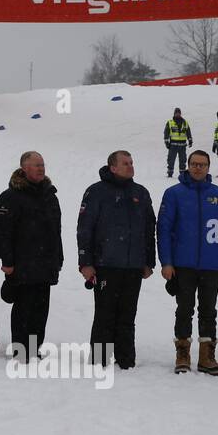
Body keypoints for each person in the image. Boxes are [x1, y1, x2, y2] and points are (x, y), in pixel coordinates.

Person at [77, 150, 156, 369]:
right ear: (112, 167)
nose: (130, 166)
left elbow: (150, 228)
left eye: (131, 162)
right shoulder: (96, 192)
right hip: (105, 264)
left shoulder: (141, 192)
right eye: (125, 163)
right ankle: (100, 359)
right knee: (104, 314)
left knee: (128, 315)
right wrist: (86, 262)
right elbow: (85, 229)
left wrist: (149, 261)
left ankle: (126, 360)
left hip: (133, 266)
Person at [157, 150, 218, 375]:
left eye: (202, 164)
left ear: (209, 167)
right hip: (183, 264)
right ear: (187, 165)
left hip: (211, 264)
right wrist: (166, 262)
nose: (198, 168)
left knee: (209, 310)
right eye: (194, 164)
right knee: (184, 309)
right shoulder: (174, 194)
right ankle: (182, 353)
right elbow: (163, 229)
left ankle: (207, 356)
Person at [0, 150, 63, 363]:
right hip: (22, 263)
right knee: (23, 308)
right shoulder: (10, 196)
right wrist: (7, 262)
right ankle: (20, 349)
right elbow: (3, 233)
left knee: (41, 309)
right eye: (37, 165)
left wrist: (58, 258)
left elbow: (56, 230)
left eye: (43, 164)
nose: (42, 168)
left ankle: (35, 348)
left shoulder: (50, 195)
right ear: (24, 168)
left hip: (45, 263)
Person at [164, 107, 193, 178]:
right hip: (173, 145)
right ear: (174, 114)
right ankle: (170, 173)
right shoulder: (170, 122)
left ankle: (182, 174)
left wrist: (190, 140)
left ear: (180, 114)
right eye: (176, 113)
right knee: (171, 159)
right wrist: (166, 142)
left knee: (183, 160)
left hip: (182, 145)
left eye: (178, 113)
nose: (177, 114)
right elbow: (166, 133)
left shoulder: (185, 122)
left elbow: (188, 132)